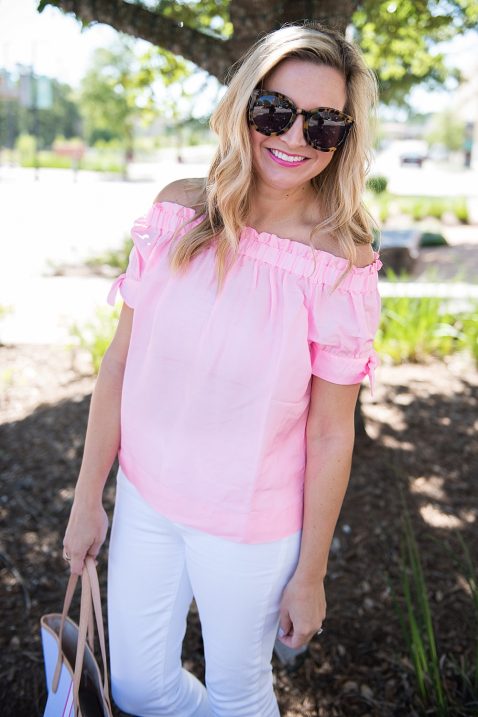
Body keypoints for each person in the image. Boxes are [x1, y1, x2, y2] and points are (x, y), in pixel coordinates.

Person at [62, 20, 382, 717]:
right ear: (244, 106)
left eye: (323, 125)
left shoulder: (339, 265)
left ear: (344, 138)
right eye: (276, 110)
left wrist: (312, 573)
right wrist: (91, 497)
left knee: (241, 695)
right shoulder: (176, 212)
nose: (295, 138)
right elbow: (120, 363)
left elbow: (332, 434)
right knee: (138, 687)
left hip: (250, 524)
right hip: (147, 496)